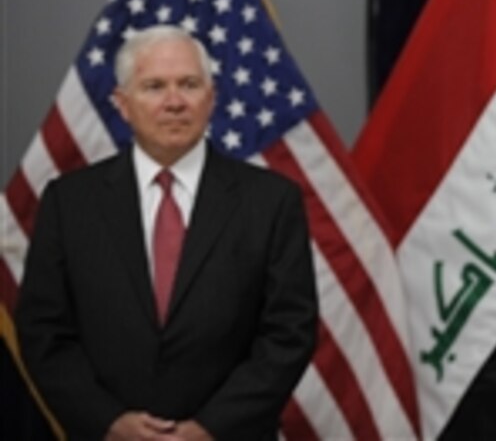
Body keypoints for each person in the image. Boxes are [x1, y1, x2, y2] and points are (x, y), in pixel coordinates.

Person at [16, 25, 317, 440]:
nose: (174, 102)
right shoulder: (69, 203)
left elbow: (290, 332)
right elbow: (43, 330)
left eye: (189, 85)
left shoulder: (271, 201)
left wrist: (211, 428)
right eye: (154, 86)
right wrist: (108, 421)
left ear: (211, 99)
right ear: (123, 104)